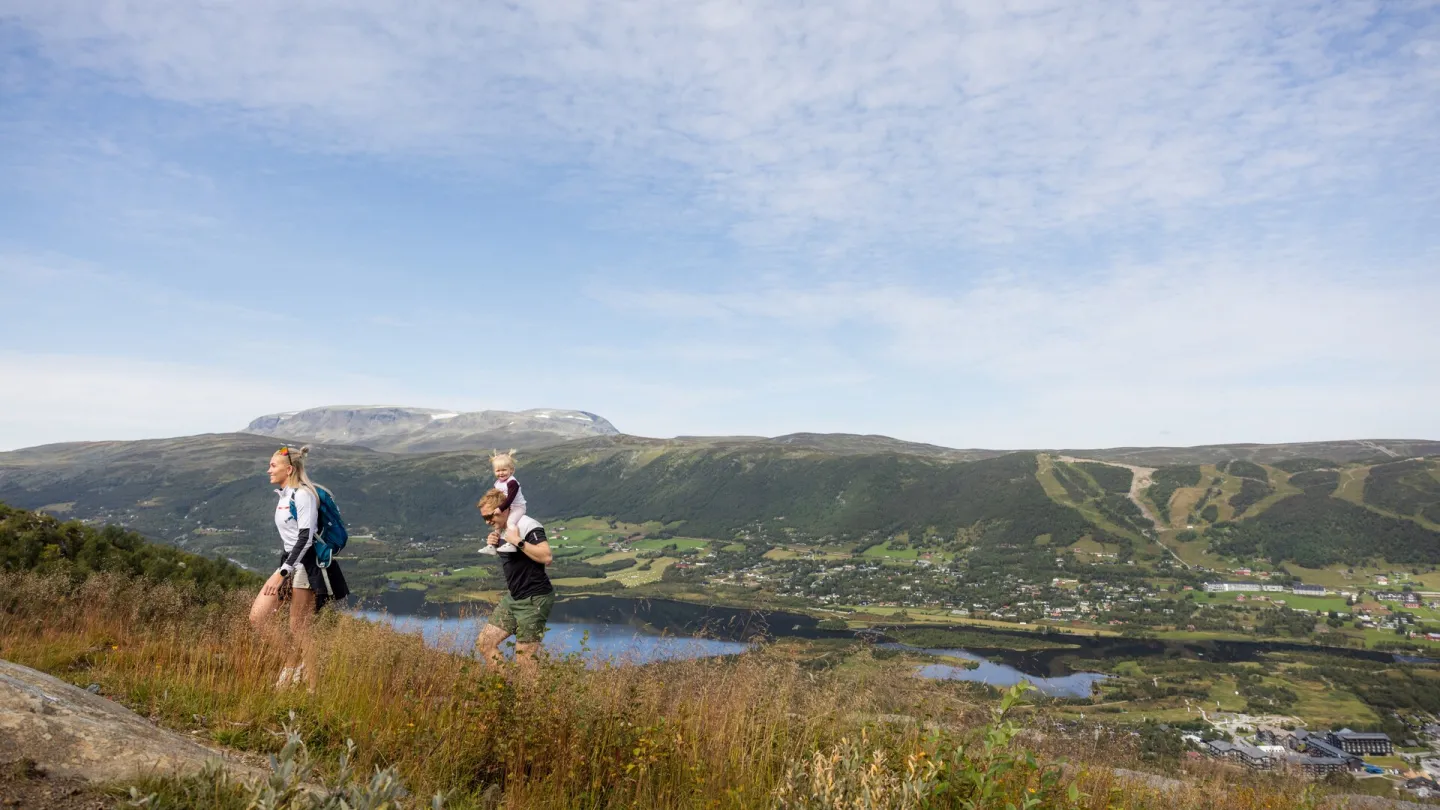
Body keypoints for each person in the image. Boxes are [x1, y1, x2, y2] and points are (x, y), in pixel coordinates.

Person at [248, 445, 350, 689]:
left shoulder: (303, 495)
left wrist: (282, 574)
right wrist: (284, 568)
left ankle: (314, 689)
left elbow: (305, 538)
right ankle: (292, 662)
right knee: (258, 617)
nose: (268, 470)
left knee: (299, 628)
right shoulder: (285, 495)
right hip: (289, 560)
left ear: (289, 469)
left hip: (305, 564)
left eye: (273, 466)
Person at [474, 487, 554, 671]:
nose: (487, 522)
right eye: (484, 518)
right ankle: (505, 688)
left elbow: (546, 557)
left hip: (535, 598)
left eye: (489, 517)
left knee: (525, 659)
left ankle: (530, 698)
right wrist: (497, 544)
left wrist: (518, 541)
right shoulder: (503, 529)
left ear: (503, 508)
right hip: (514, 598)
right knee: (485, 643)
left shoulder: (527, 524)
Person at [478, 449, 527, 555]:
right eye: (498, 471)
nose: (501, 473)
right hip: (508, 507)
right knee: (498, 527)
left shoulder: (512, 482)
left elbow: (510, 498)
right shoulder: (498, 483)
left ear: (511, 470)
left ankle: (512, 544)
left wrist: (500, 508)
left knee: (510, 523)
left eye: (504, 470)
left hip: (518, 507)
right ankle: (492, 546)